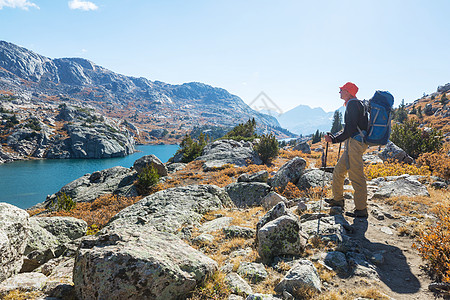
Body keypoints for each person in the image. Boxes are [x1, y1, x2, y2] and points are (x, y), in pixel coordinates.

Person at [324, 82, 369, 218]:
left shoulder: (353, 104)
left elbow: (349, 129)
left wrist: (334, 139)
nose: (340, 92)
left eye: (342, 90)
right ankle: (337, 200)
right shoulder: (355, 104)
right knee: (338, 171)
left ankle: (361, 210)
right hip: (354, 143)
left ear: (348, 92)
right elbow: (350, 128)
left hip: (355, 144)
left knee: (356, 175)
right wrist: (335, 137)